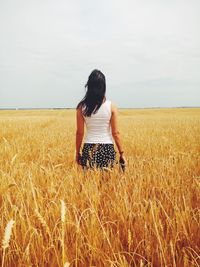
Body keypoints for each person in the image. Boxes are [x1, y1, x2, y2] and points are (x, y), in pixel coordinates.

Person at [76, 69, 126, 170]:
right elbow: (115, 133)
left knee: (88, 184)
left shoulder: (81, 107)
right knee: (107, 184)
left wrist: (77, 152)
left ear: (89, 86)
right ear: (103, 87)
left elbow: (79, 133)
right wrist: (121, 153)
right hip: (107, 149)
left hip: (89, 149)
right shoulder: (111, 106)